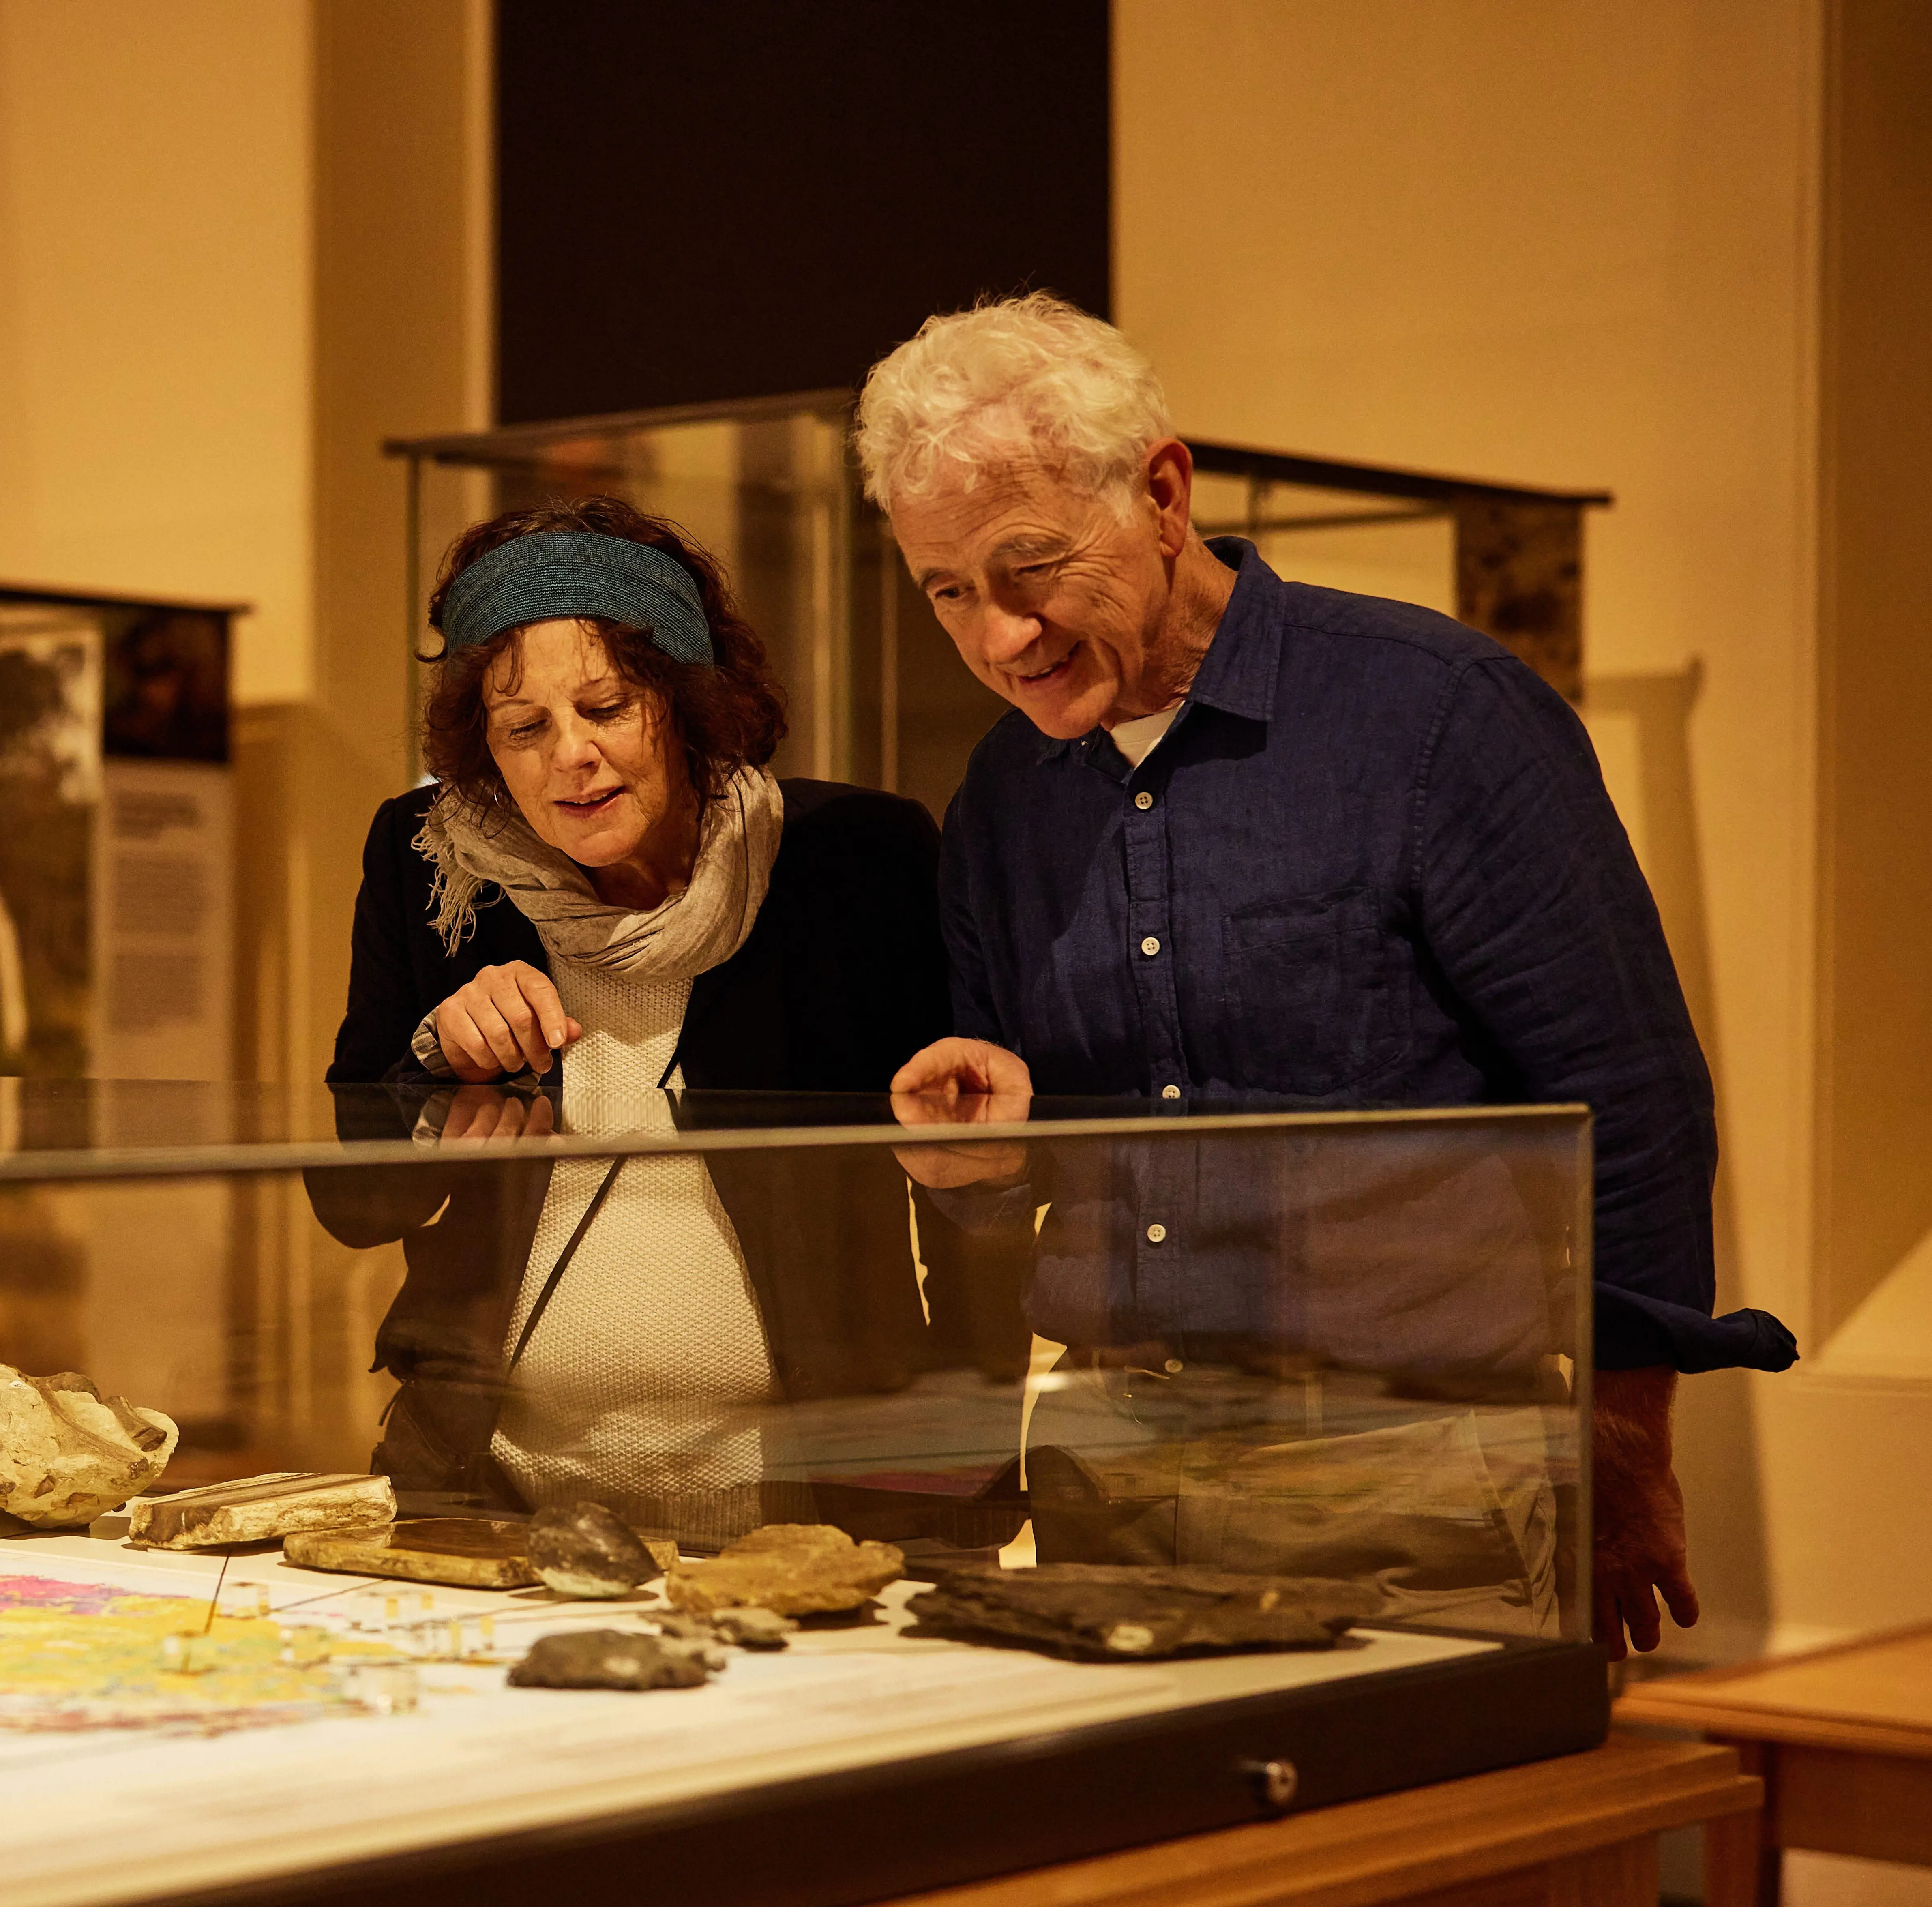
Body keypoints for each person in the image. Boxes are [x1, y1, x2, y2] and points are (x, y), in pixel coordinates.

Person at [857, 293, 1795, 1655]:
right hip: (1112, 1470)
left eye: (1030, 567)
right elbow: (1013, 1180)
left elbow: (1625, 1093)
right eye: (948, 592)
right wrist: (977, 1169)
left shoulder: (1431, 716)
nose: (998, 638)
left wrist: (1624, 1438)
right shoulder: (1004, 795)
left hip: (1416, 1458)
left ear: (1162, 491)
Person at [320, 499, 986, 1542]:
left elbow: (970, 1188)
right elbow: (355, 1206)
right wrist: (431, 1061)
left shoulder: (855, 861)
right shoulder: (430, 860)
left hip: (815, 1509)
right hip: (492, 1496)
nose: (568, 758)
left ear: (683, 702)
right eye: (524, 728)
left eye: (606, 706)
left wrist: (964, 1480)